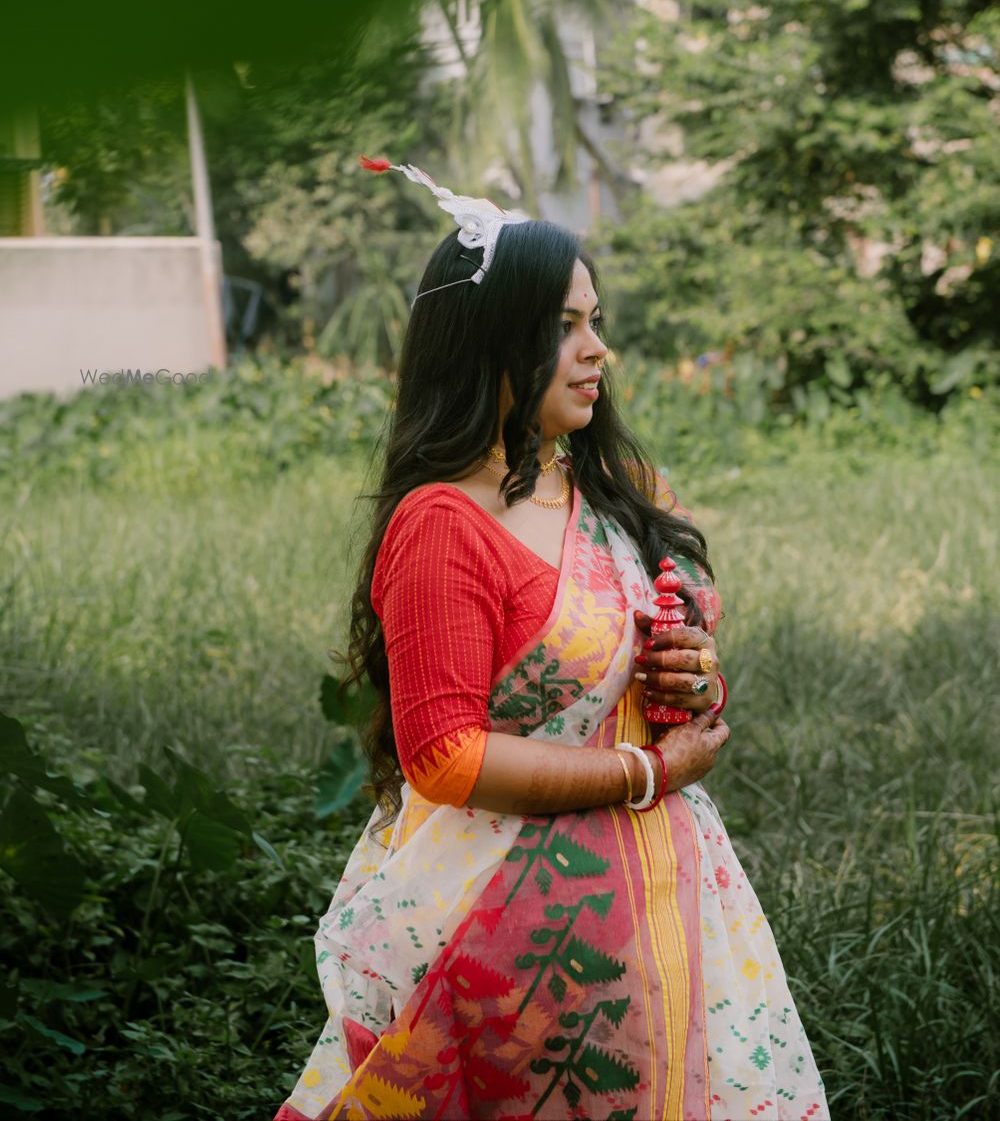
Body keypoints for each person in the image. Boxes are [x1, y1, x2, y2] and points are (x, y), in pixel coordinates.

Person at [274, 158, 828, 1121]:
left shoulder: (622, 489)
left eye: (596, 321)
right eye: (564, 327)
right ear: (490, 343)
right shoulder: (443, 523)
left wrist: (693, 686)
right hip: (510, 927)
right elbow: (445, 757)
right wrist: (647, 774)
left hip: (668, 891)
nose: (597, 349)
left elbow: (667, 682)